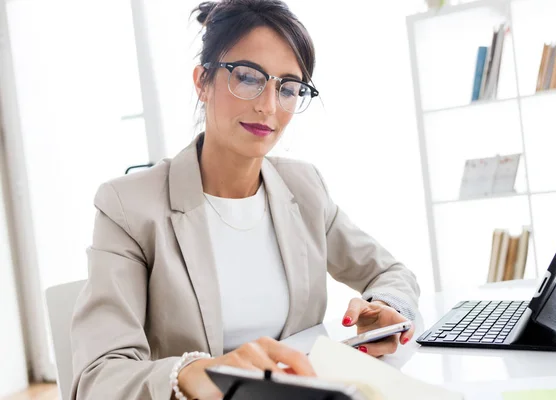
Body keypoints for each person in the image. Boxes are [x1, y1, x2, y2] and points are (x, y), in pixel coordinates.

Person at [70, 0, 420, 399]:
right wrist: (192, 373)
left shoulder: (304, 187)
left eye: (288, 88)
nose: (268, 106)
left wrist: (385, 309)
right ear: (203, 81)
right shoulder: (128, 205)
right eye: (249, 77)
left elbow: (391, 273)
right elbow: (97, 378)